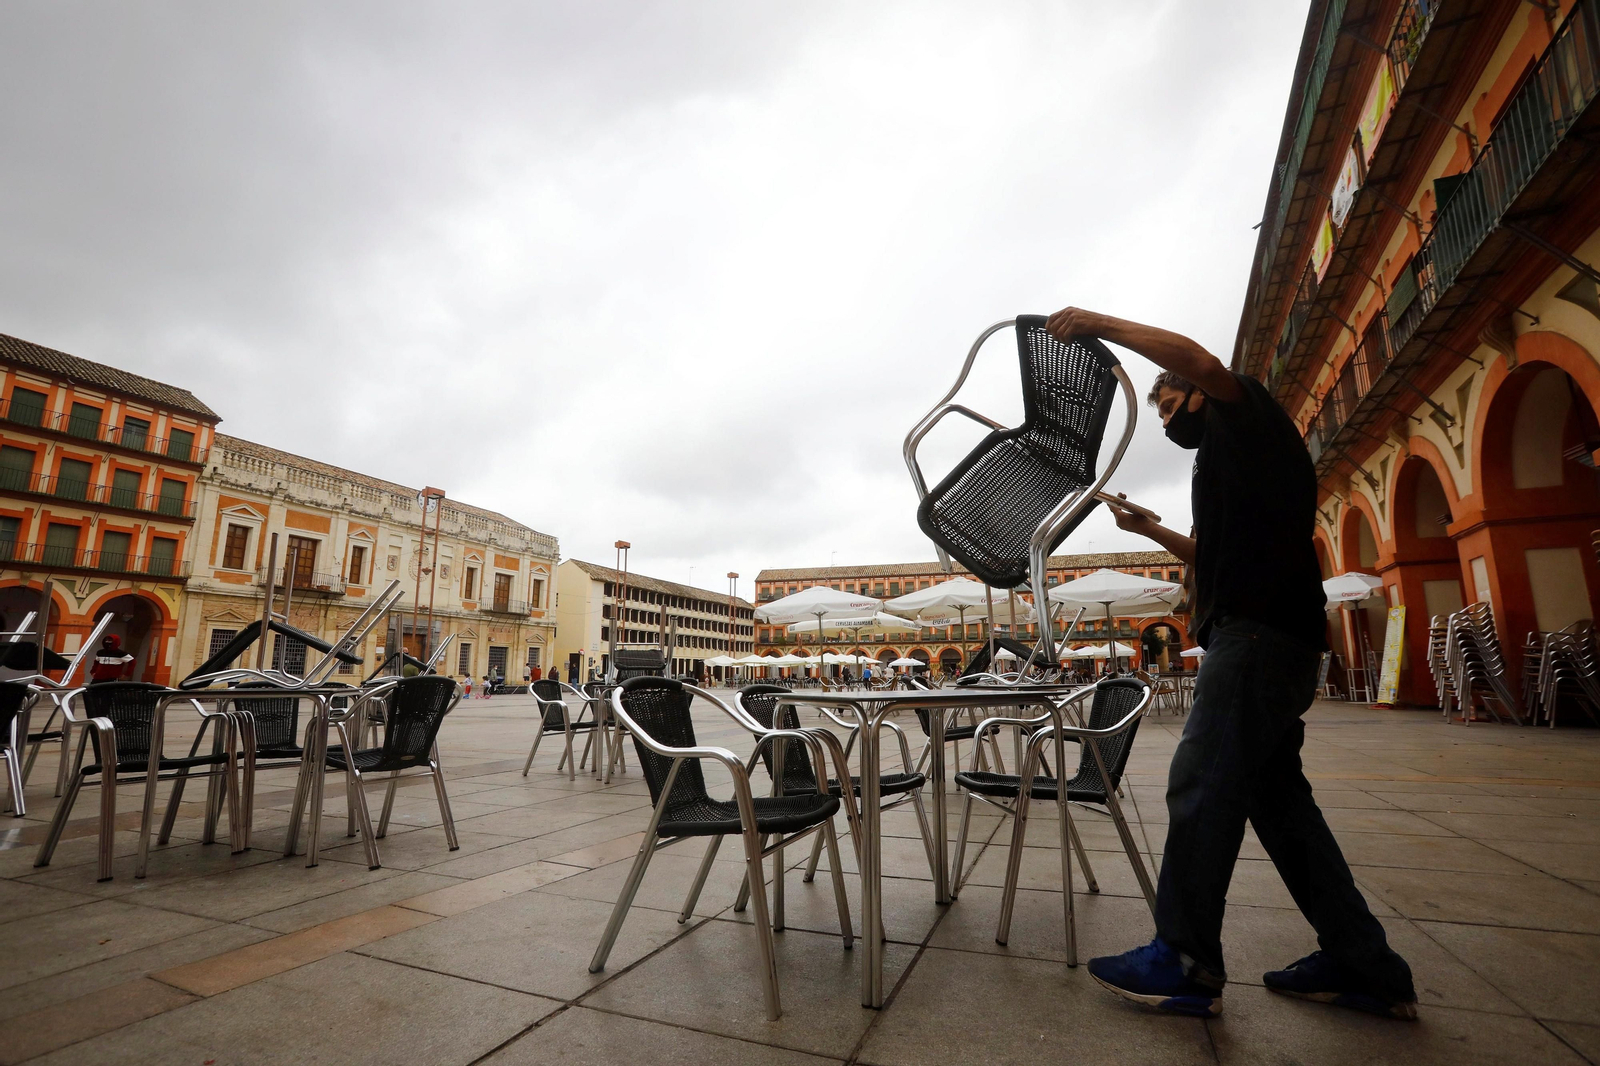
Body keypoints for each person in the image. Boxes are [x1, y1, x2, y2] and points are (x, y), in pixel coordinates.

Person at [1045, 307, 1416, 1021]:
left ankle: (1183, 960)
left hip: (1255, 635)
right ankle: (1364, 962)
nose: (1165, 421)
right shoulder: (1231, 462)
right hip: (1271, 636)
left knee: (1200, 784)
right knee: (1280, 807)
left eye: (1168, 405)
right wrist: (1151, 531)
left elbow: (1203, 361)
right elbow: (1212, 555)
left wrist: (1097, 323)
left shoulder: (1243, 413)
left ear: (1195, 392)